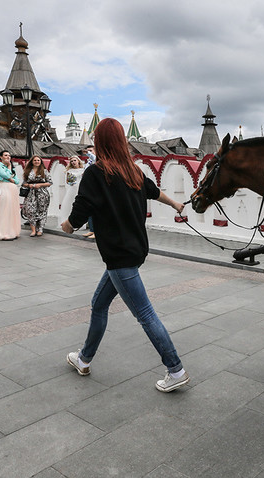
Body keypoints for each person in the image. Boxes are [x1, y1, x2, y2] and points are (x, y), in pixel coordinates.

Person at [61, 118, 189, 393]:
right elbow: (154, 192)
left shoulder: (97, 173)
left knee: (145, 314)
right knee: (98, 304)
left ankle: (175, 369)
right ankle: (84, 359)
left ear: (100, 142)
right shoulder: (133, 170)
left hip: (119, 255)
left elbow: (81, 208)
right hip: (133, 250)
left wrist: (68, 225)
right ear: (121, 141)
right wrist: (176, 204)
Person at [22, 155, 53, 237]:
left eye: (38, 160)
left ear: (41, 162)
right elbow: (24, 183)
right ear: (32, 162)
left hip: (42, 193)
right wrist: (29, 185)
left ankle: (40, 229)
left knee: (42, 211)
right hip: (30, 193)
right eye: (35, 160)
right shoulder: (28, 171)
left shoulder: (44, 171)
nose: (37, 162)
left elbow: (50, 182)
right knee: (30, 210)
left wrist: (40, 185)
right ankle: (33, 230)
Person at [58, 155, 85, 226]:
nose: (73, 162)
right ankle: (67, 221)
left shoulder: (84, 170)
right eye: (72, 161)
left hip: (81, 189)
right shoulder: (69, 171)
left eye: (75, 160)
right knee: (69, 204)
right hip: (72, 189)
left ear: (78, 161)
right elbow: (68, 182)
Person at [83, 145, 96, 239]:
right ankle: (92, 230)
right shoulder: (88, 162)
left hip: (96, 188)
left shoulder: (97, 160)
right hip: (89, 187)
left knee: (96, 211)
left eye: (91, 150)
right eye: (88, 151)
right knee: (89, 210)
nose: (89, 153)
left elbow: (94, 158)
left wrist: (88, 153)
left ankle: (97, 231)